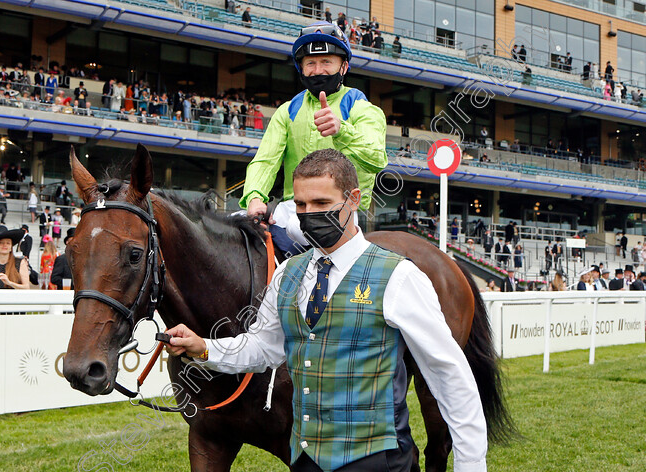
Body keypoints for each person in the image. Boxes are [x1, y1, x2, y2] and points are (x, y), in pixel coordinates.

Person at [165, 150, 487, 472]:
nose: (309, 214)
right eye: (301, 205)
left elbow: (449, 375)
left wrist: (471, 464)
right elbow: (263, 346)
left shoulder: (400, 277)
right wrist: (205, 347)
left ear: (353, 199)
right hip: (306, 461)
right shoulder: (288, 272)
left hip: (379, 462)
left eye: (321, 203)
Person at [242, 22, 387, 254]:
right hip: (293, 206)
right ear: (301, 68)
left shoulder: (363, 108)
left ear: (344, 66)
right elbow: (265, 160)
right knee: (232, 224)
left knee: (296, 229)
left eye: (326, 61)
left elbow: (377, 159)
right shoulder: (287, 111)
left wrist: (342, 131)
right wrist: (254, 197)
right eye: (310, 63)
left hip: (338, 209)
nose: (317, 70)